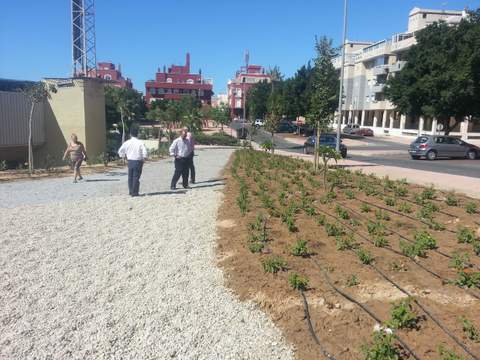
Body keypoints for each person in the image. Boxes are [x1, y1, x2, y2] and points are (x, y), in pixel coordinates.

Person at [118, 127, 148, 197]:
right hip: (138, 161)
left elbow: (120, 151)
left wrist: (123, 156)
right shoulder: (140, 142)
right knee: (136, 177)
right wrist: (144, 158)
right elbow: (145, 152)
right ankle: (135, 192)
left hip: (130, 161)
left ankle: (131, 191)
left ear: (130, 134)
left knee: (130, 177)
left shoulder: (127, 142)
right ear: (137, 134)